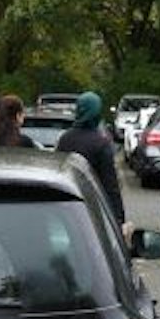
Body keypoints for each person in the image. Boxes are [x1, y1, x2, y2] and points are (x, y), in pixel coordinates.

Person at [55, 91, 128, 238]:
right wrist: (118, 218)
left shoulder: (65, 139)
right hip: (93, 208)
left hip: (66, 205)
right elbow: (110, 185)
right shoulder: (101, 144)